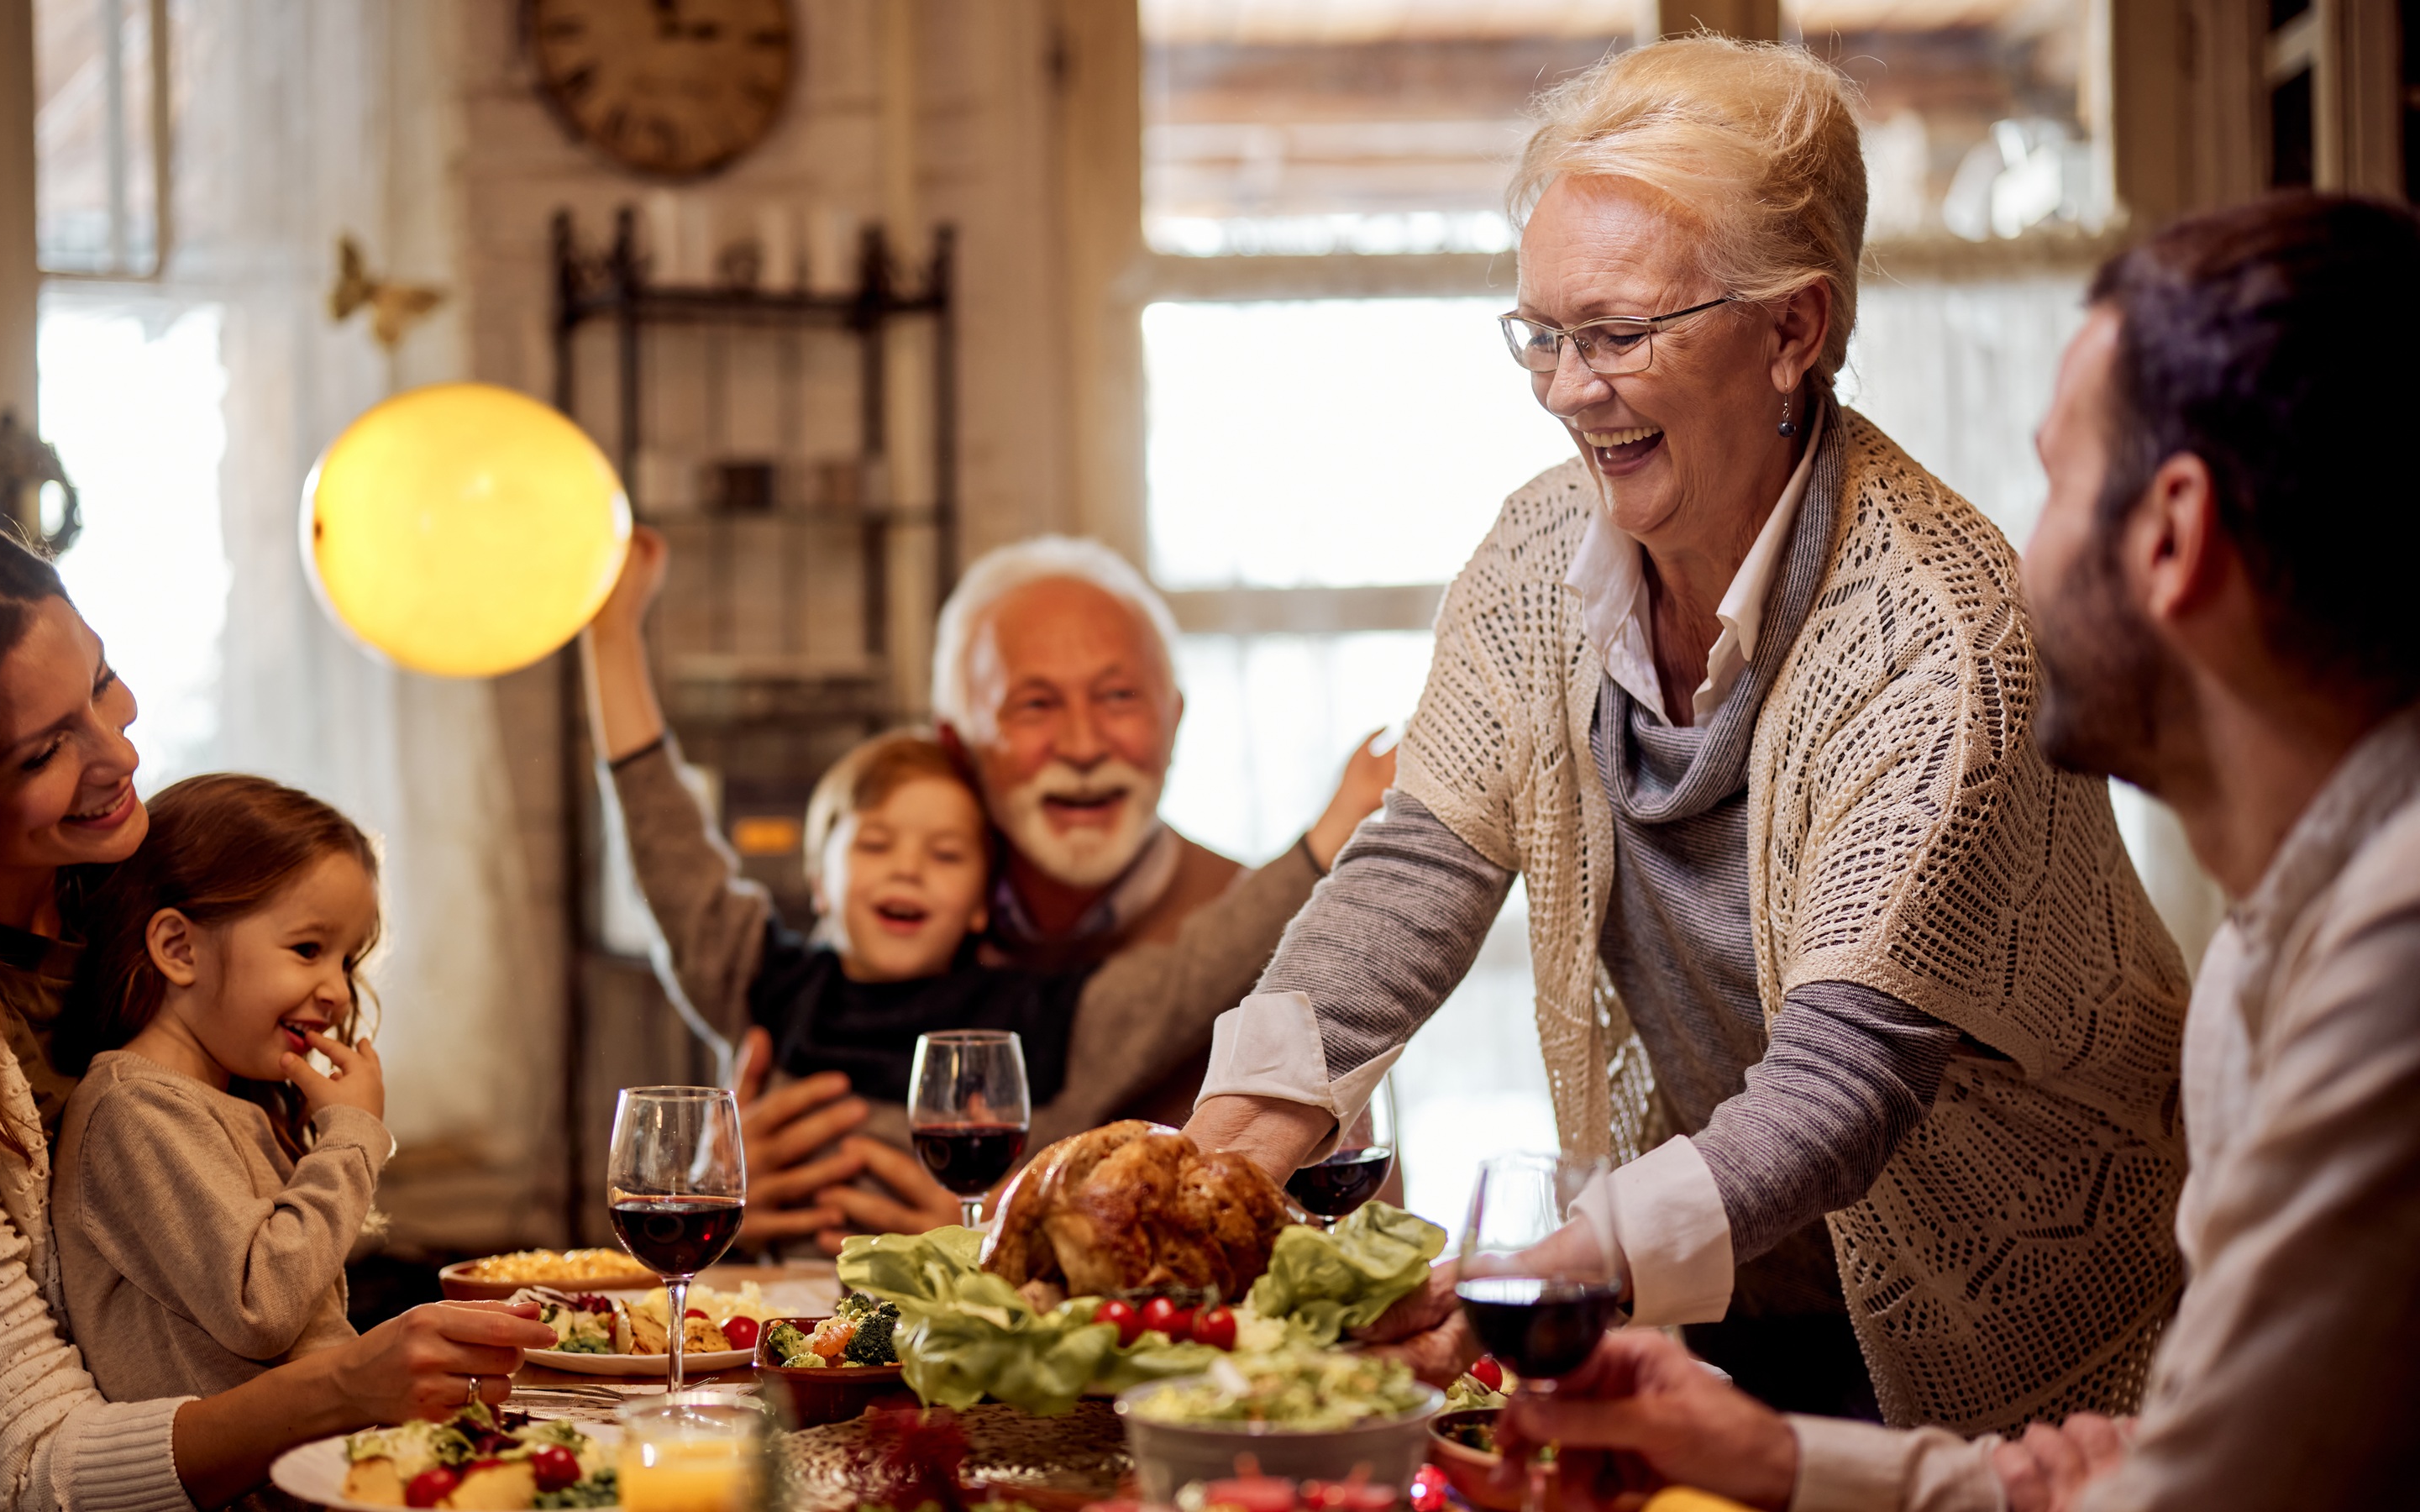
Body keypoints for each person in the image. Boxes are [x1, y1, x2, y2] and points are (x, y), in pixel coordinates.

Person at [1183, 36, 2188, 1429]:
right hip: (1723, 1285)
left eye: (1620, 334)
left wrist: (1527, 1286)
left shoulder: (1937, 634)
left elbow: (1844, 1080)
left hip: (2016, 1327)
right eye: (1540, 334)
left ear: (1795, 329)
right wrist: (1212, 1159)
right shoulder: (1543, 552)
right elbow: (1420, 862)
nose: (1564, 388)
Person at [1490, 191, 2420, 1512]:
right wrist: (1776, 1456)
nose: (2007, 560)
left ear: (2173, 538)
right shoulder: (2281, 948)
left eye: (2055, 482)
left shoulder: (2393, 967)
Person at [0, 516, 549, 1512]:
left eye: (102, 683)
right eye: (43, 752)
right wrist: (341, 1387)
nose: (118, 749)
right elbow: (31, 1468)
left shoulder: (133, 905)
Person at [583, 528, 1390, 1250]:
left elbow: (1351, 1231)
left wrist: (1008, 1242)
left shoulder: (1280, 937)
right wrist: (720, 1192)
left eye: (1117, 697)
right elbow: (681, 878)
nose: (1080, 743)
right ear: (956, 742)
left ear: (1175, 719)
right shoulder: (846, 956)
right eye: (1033, 704)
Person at [51, 774, 392, 1401]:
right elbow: (261, 1307)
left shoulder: (221, 1106)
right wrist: (351, 1141)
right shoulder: (137, 1108)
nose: (339, 991)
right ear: (180, 948)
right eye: (309, 948)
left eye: (347, 960)